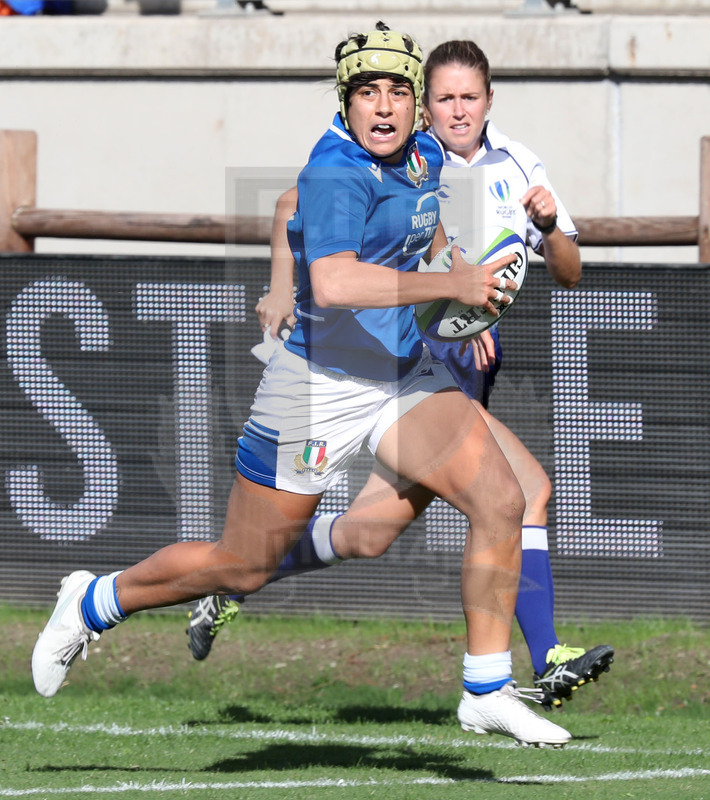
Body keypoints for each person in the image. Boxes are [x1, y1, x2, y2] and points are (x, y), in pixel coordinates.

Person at [31, 22, 571, 748]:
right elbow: (338, 278)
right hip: (319, 387)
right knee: (243, 566)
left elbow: (425, 228)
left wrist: (456, 292)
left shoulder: (422, 154)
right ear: (345, 104)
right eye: (365, 93)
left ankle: (485, 688)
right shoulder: (336, 170)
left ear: (417, 102)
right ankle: (95, 599)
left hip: (402, 374)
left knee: (503, 497)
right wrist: (450, 281)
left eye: (396, 91)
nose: (383, 106)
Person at [187, 38, 613, 711]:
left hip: (457, 366)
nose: (455, 110)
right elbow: (289, 208)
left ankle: (239, 579)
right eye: (442, 98)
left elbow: (568, 270)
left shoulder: (519, 166)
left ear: (489, 101)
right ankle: (543, 656)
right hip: (410, 366)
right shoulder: (410, 155)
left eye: (468, 97)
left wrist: (551, 222)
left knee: (367, 533)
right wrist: (278, 288)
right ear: (426, 105)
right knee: (527, 490)